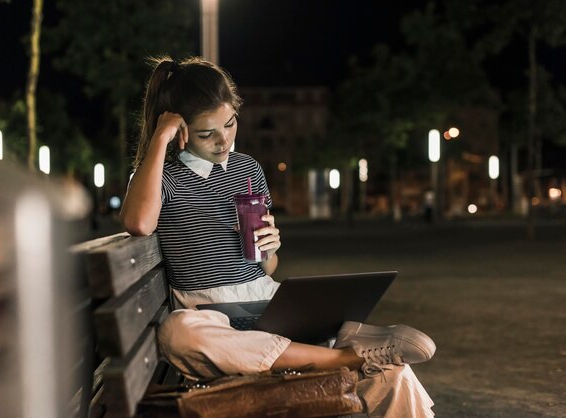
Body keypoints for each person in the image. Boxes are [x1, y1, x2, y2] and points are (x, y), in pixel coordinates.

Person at [121, 56, 436, 417]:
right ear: (179, 130)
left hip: (265, 304)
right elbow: (138, 223)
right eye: (208, 133)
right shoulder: (162, 177)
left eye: (230, 123)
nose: (224, 140)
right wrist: (159, 140)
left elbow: (267, 267)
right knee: (178, 333)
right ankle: (343, 356)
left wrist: (270, 248)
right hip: (210, 317)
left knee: (392, 371)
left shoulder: (247, 169)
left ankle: (346, 355)